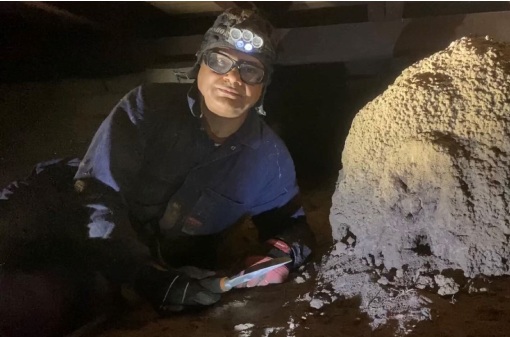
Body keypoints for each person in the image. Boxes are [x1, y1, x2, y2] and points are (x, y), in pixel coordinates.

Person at [0, 7, 314, 326]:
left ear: (263, 86)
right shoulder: (147, 107)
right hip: (61, 215)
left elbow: (291, 224)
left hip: (134, 268)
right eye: (219, 61)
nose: (233, 78)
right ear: (199, 66)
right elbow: (97, 196)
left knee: (63, 302)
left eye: (251, 70)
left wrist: (277, 256)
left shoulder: (267, 155)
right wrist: (145, 276)